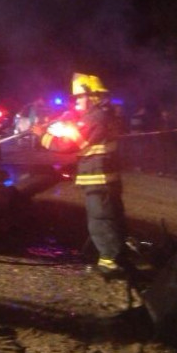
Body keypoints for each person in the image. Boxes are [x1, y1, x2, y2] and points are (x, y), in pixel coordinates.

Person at [32, 73, 129, 279]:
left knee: (100, 219)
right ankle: (116, 253)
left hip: (98, 177)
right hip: (105, 177)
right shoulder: (102, 115)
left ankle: (109, 263)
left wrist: (43, 136)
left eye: (79, 97)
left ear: (93, 97)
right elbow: (79, 135)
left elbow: (68, 144)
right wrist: (68, 121)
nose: (76, 101)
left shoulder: (96, 118)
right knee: (111, 216)